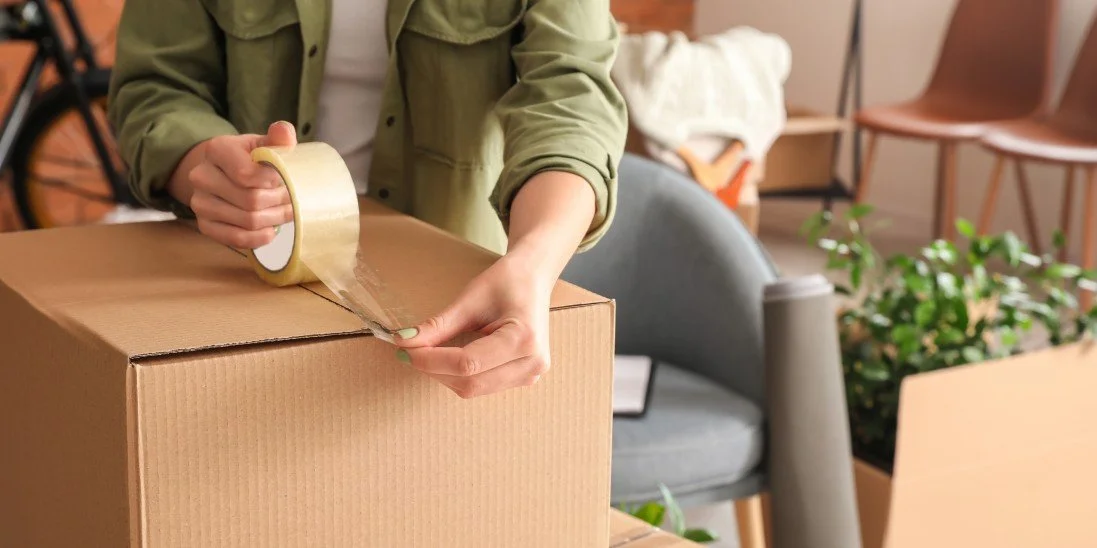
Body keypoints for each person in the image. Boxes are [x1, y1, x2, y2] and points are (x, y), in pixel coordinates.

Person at [107, 0, 627, 398]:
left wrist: (532, 265)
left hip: (455, 286)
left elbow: (571, 96)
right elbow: (156, 86)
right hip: (246, 268)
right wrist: (204, 167)